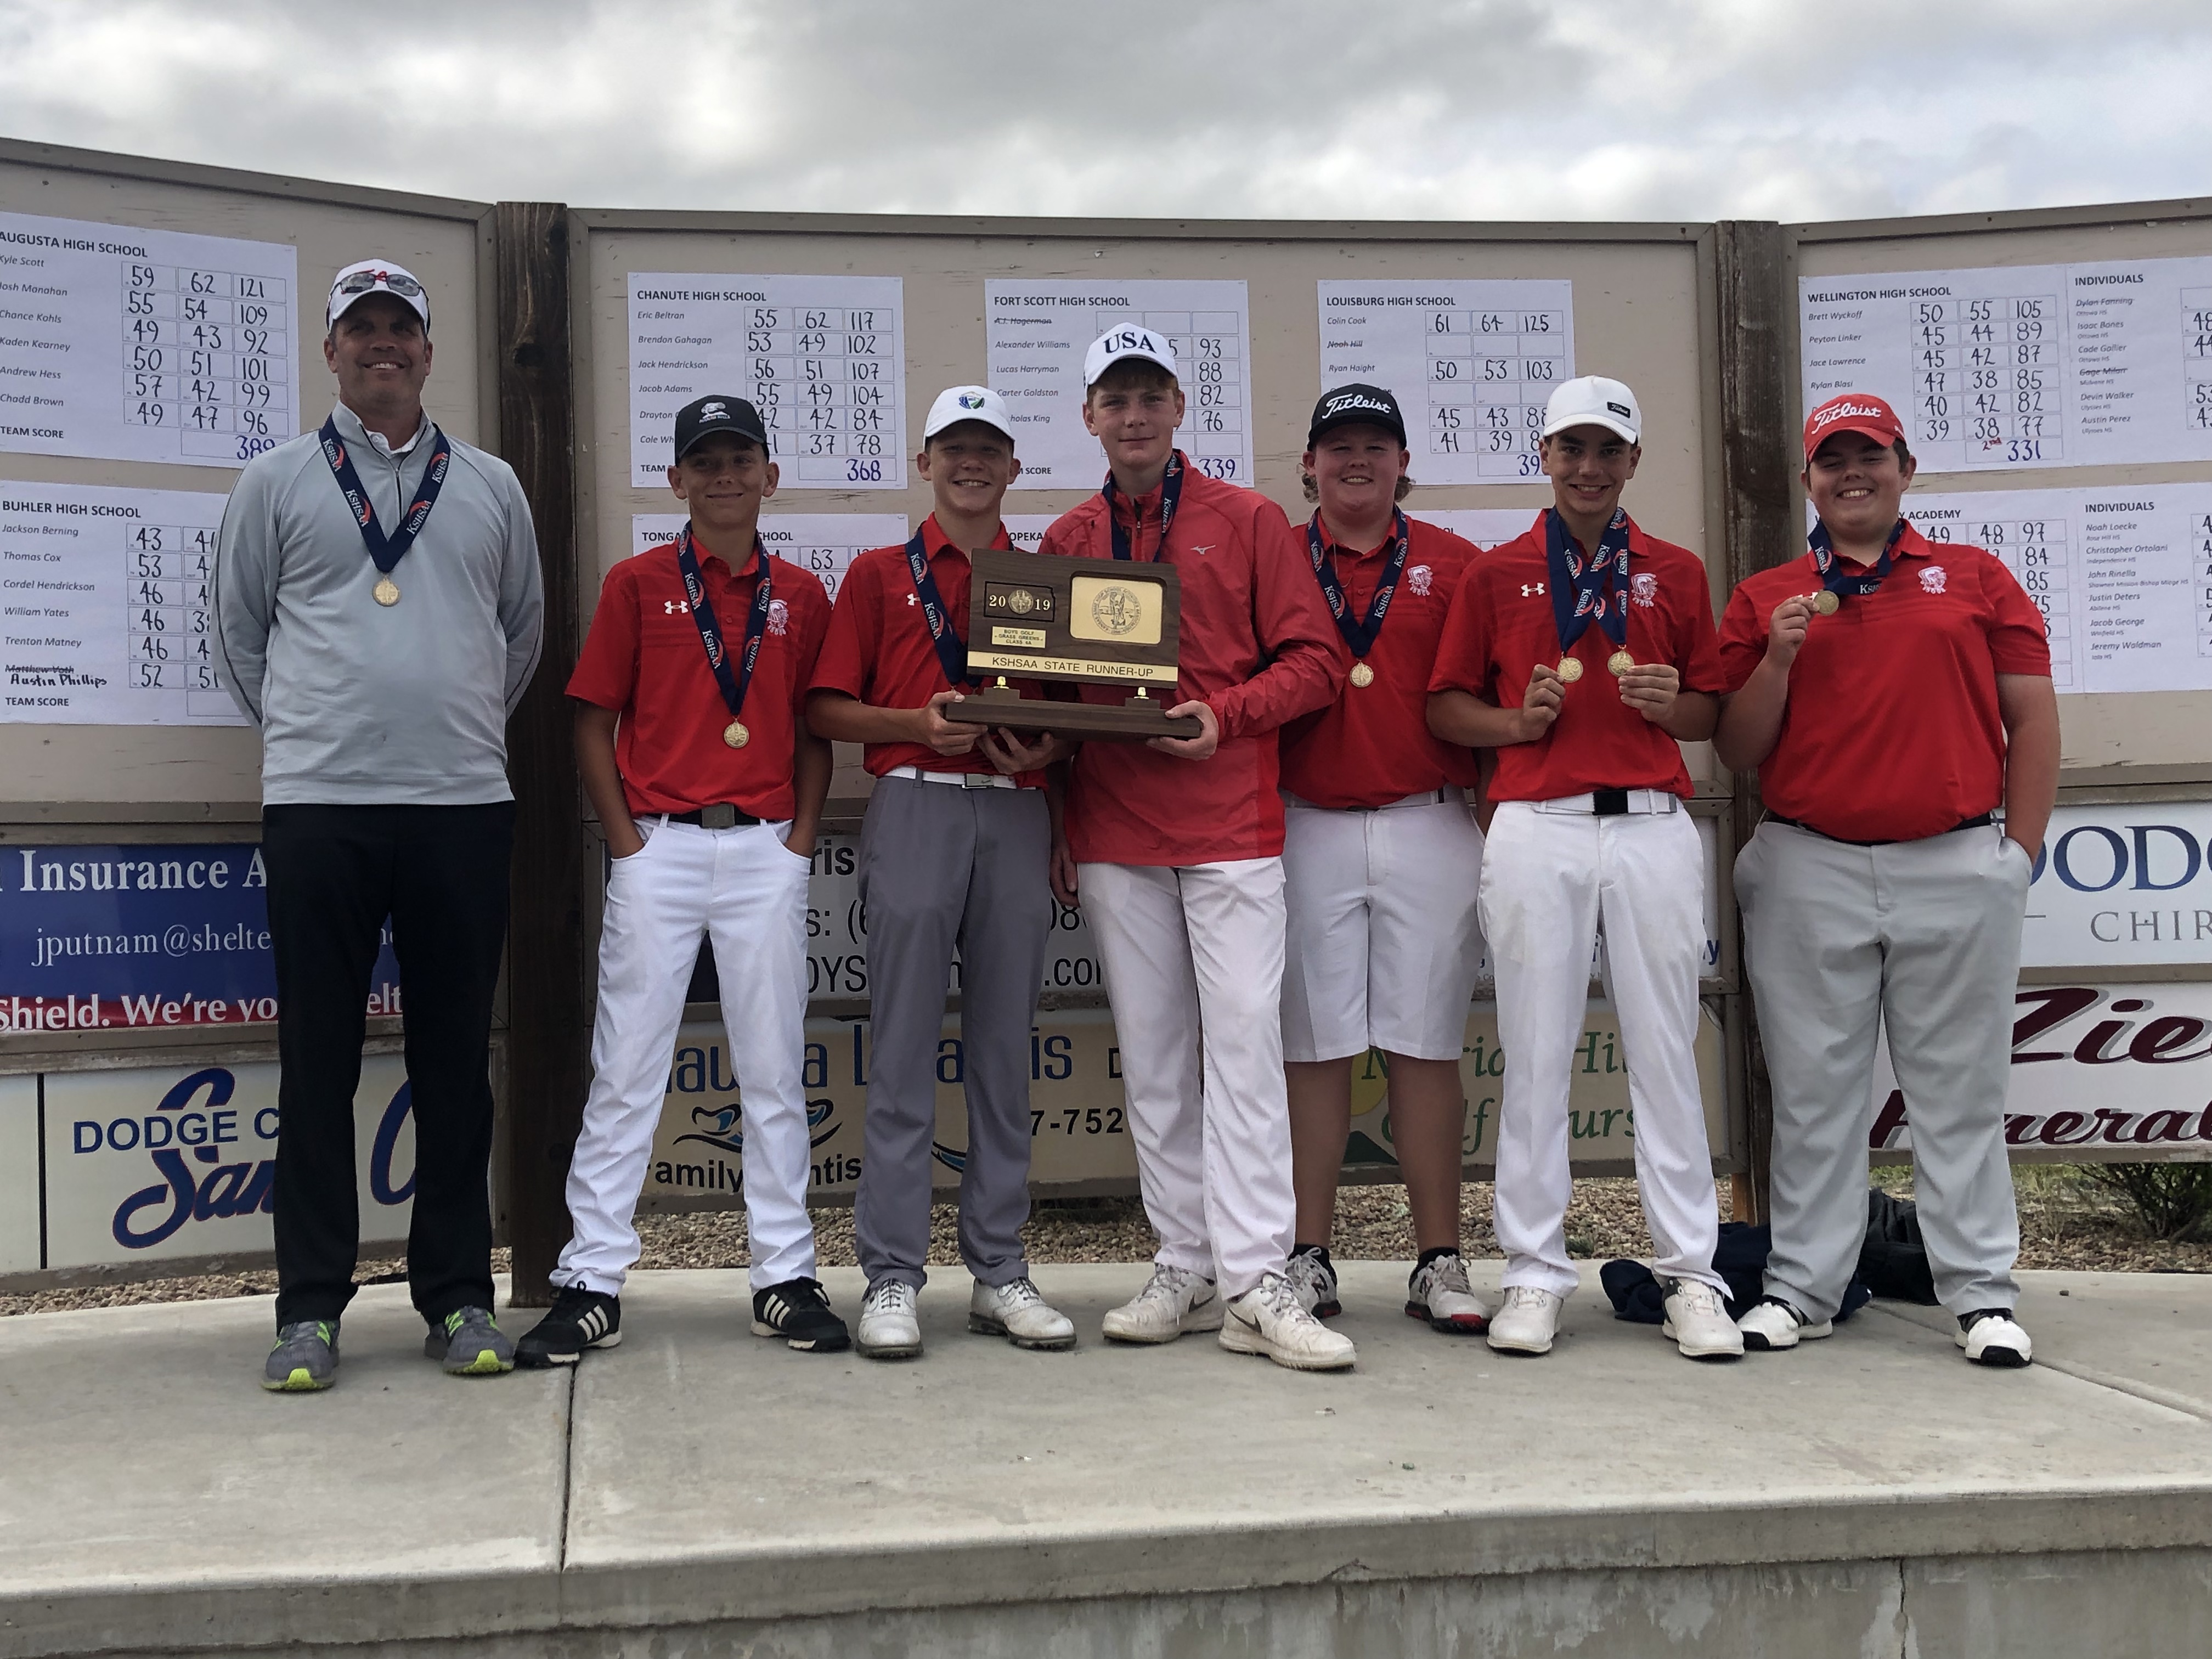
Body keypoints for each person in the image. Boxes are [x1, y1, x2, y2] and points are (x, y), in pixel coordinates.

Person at [216, 259, 545, 1391]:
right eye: (362, 330)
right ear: (331, 351)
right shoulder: (273, 481)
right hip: (319, 810)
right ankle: (309, 1308)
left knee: (457, 1063)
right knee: (317, 1063)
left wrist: (437, 731)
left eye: (401, 328)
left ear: (428, 349)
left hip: (460, 808)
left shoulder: (493, 484)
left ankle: (456, 1298)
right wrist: (325, 735)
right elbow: (241, 635)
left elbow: (520, 634)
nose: (383, 346)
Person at [1716, 392, 2057, 1369]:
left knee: (1958, 1093)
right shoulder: (1767, 594)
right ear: (1809, 481)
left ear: (1906, 469)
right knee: (1816, 1095)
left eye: (1871, 456)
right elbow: (1740, 749)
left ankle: (1982, 1295)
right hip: (1808, 861)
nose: (1851, 474)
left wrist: (2017, 854)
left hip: (1956, 861)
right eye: (1833, 460)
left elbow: (2032, 719)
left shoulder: (1977, 578)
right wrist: (1777, 657)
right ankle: (1801, 1289)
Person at [1041, 325, 1353, 1372]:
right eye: (1113, 400)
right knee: (1158, 1061)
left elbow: (1315, 660)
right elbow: (1045, 692)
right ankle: (1185, 1257)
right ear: (1089, 416)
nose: (1133, 417)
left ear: (1181, 407)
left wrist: (1227, 714)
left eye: (1150, 397)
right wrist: (1036, 773)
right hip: (1117, 833)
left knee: (1246, 1052)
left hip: (1231, 829)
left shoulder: (1249, 519)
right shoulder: (1066, 537)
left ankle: (1260, 1276)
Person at [513, 394, 848, 1367]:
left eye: (742, 458)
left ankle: (784, 1276)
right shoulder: (639, 584)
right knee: (626, 1068)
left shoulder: (803, 596)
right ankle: (591, 1279)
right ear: (677, 480)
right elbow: (589, 720)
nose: (725, 476)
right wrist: (626, 843)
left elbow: (819, 726)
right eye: (705, 461)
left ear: (770, 476)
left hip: (764, 851)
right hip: (658, 847)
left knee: (775, 1069)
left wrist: (800, 841)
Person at [1426, 374, 1741, 1362]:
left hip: (1650, 821)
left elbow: (1713, 717)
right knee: (1534, 1049)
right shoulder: (1497, 572)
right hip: (1535, 822)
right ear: (1546, 455)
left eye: (1609, 451)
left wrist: (1671, 703)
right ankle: (1532, 1271)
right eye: (1572, 448)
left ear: (1635, 462)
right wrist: (1514, 725)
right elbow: (1445, 708)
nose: (1589, 468)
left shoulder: (1678, 572)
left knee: (1665, 1050)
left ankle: (1692, 1273)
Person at [806, 385, 1073, 1361]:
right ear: (926, 463)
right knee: (907, 1048)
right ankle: (890, 1275)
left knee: (1006, 1052)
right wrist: (915, 724)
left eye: (989, 450)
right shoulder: (879, 576)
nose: (972, 464)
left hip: (1014, 812)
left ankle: (999, 1270)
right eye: (953, 449)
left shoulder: (1044, 577)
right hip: (915, 801)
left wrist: (1048, 755)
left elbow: (1078, 713)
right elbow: (828, 709)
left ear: (1012, 469)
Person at [1275, 385, 1492, 1335]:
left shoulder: (1457, 563)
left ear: (1406, 462)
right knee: (1313, 1046)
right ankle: (1307, 1254)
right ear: (1309, 464)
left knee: (1425, 1041)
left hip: (1430, 818)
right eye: (1338, 447)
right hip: (1303, 821)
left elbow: (1484, 699)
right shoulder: (1271, 555)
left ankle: (1439, 1259)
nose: (1355, 461)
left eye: (1375, 445)